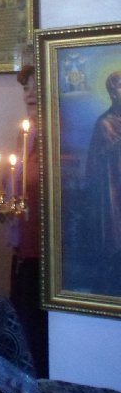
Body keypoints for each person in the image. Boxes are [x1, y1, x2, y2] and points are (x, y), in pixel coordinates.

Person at [8, 66, 47, 378]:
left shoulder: (59, 137)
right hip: (23, 249)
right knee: (22, 325)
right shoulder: (26, 133)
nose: (29, 93)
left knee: (38, 332)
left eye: (37, 85)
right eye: (25, 88)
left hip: (47, 254)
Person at [85, 70, 121, 275]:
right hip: (114, 187)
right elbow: (96, 161)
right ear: (112, 93)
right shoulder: (104, 123)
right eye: (120, 86)